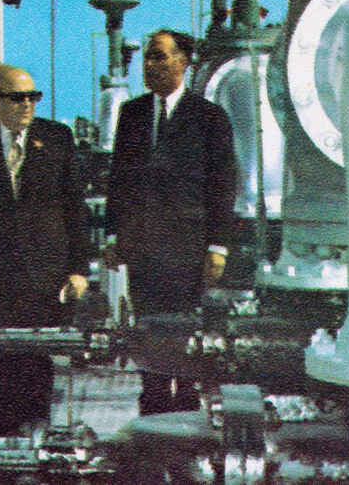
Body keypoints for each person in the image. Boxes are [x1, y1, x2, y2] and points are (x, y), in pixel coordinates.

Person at [105, 28, 237, 415]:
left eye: (159, 56)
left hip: (187, 248)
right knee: (147, 329)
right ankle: (153, 402)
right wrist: (113, 235)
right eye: (148, 56)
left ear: (183, 62)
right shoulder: (131, 114)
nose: (150, 64)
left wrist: (218, 245)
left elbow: (223, 183)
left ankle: (187, 405)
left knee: (184, 332)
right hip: (142, 246)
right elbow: (119, 178)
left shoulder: (209, 117)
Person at [0, 64, 91, 436]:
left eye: (33, 97)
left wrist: (79, 269)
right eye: (17, 97)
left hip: (42, 278)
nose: (27, 105)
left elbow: (75, 208)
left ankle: (34, 443)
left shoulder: (56, 138)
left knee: (35, 366)